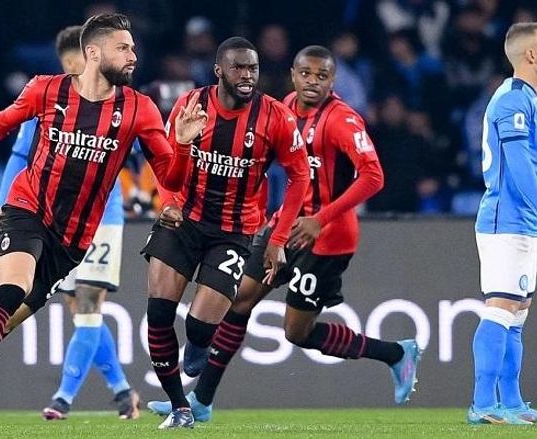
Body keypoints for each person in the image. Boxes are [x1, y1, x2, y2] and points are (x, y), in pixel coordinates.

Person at [0, 13, 207, 424]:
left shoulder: (140, 109)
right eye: (123, 47)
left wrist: (183, 146)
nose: (133, 55)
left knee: (3, 321)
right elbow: (0, 124)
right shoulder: (46, 90)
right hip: (27, 208)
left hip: (73, 239)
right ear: (94, 52)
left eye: (133, 48)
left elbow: (170, 177)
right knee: (11, 290)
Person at [146, 45, 422, 423]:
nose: (312, 82)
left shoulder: (342, 120)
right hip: (284, 226)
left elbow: (374, 176)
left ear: (333, 81)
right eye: (305, 74)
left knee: (297, 332)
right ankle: (201, 401)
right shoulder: (285, 107)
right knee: (238, 302)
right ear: (292, 75)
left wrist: (320, 219)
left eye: (321, 76)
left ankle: (395, 353)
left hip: (327, 238)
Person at [141, 36, 311, 429]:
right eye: (238, 67)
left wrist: (278, 239)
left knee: (199, 326)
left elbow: (300, 177)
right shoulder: (190, 105)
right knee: (159, 313)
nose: (247, 75)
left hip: (234, 231)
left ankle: (199, 343)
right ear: (219, 70)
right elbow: (167, 164)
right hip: (184, 219)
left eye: (252, 68)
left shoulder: (275, 117)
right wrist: (167, 202)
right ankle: (180, 406)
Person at [0, 25, 139, 421]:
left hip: (102, 217)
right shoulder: (50, 98)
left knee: (88, 303)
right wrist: (1, 204)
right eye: (69, 65)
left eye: (79, 65)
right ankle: (123, 392)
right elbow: (20, 154)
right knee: (82, 309)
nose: (76, 73)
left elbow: (141, 149)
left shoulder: (120, 102)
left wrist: (142, 190)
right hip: (56, 219)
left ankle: (62, 399)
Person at [469, 22, 537, 425]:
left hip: (519, 221)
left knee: (517, 313)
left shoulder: (527, 99)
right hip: (504, 219)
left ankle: (512, 403)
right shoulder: (511, 101)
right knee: (501, 308)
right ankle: (482, 404)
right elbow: (519, 164)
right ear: (530, 54)